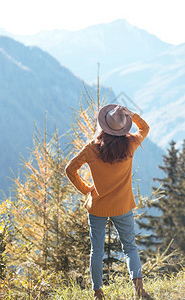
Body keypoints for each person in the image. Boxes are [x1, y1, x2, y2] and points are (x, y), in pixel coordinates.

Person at [65, 104, 152, 299]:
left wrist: (86, 189)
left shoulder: (92, 147)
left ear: (103, 126)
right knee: (130, 247)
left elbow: (70, 169)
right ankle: (139, 290)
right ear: (123, 127)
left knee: (97, 250)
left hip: (98, 206)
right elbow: (145, 128)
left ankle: (98, 293)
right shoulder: (131, 144)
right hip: (122, 205)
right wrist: (133, 115)